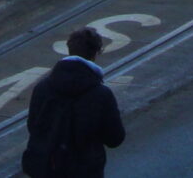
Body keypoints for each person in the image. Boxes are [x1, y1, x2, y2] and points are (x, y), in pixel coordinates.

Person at [20, 25, 126, 178]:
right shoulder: (101, 94)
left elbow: (34, 127)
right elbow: (115, 138)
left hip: (47, 169)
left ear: (69, 49)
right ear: (96, 53)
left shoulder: (42, 88)